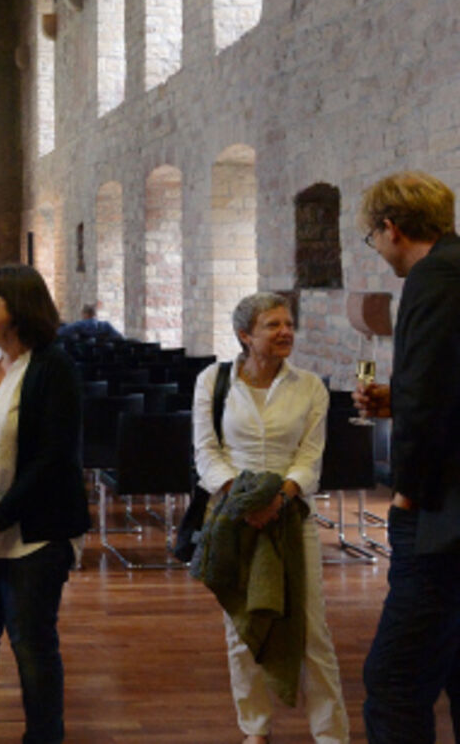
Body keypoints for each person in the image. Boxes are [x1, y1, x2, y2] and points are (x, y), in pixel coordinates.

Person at [193, 292, 349, 744]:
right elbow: (207, 453)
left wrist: (277, 500)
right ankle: (255, 730)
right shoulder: (213, 381)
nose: (286, 332)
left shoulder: (309, 386)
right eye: (272, 325)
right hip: (234, 518)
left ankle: (331, 734)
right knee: (242, 627)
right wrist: (245, 502)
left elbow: (309, 457)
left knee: (312, 629)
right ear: (245, 335)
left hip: (290, 514)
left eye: (288, 324)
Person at [0, 265, 89, 744]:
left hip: (36, 535)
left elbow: (52, 460)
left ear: (18, 308)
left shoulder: (54, 368)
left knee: (32, 647)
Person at [355, 171, 460, 742]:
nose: (377, 249)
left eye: (373, 237)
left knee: (394, 682)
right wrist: (401, 399)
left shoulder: (433, 277)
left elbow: (430, 408)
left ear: (391, 228)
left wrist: (405, 493)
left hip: (441, 516)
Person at [56, 304, 123, 341]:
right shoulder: (106, 325)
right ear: (95, 314)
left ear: (86, 314)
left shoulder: (81, 324)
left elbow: (61, 332)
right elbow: (118, 337)